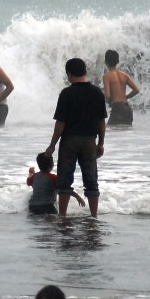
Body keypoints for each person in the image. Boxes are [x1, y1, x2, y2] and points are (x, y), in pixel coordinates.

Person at [46, 58, 107, 218]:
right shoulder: (97, 92)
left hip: (69, 141)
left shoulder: (66, 93)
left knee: (65, 181)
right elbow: (101, 121)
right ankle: (94, 216)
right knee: (91, 180)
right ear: (85, 72)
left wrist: (52, 144)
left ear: (69, 74)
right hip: (89, 141)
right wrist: (100, 143)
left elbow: (61, 123)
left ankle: (63, 216)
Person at [102, 49, 139, 126]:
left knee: (110, 130)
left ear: (106, 62)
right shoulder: (124, 75)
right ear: (118, 61)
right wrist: (126, 97)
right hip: (127, 108)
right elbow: (136, 90)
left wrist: (109, 102)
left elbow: (108, 96)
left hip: (117, 107)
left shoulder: (107, 76)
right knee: (125, 133)